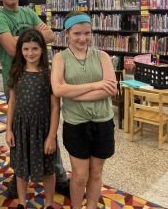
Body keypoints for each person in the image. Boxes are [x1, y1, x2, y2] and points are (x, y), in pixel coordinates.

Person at [0, 0, 71, 198]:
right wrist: (35, 36)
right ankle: (20, 175)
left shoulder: (28, 12)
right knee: (19, 132)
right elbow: (11, 49)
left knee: (47, 131)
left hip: (41, 78)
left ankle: (60, 178)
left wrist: (21, 39)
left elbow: (51, 35)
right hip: (16, 79)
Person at [50, 11, 118, 209]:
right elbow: (58, 90)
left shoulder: (102, 56)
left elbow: (111, 89)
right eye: (77, 33)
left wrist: (72, 92)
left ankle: (91, 206)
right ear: (67, 34)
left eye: (87, 33)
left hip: (103, 122)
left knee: (96, 173)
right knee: (79, 176)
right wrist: (97, 85)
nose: (83, 38)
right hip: (76, 124)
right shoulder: (60, 59)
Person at [5, 29, 60, 209]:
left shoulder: (49, 74)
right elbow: (12, 102)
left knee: (47, 169)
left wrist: (52, 136)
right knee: (21, 169)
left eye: (35, 49)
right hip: (20, 129)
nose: (30, 53)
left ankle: (49, 203)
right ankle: (22, 202)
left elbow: (55, 107)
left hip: (43, 131)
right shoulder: (16, 72)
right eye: (26, 49)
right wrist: (8, 129)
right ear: (20, 50)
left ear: (42, 50)